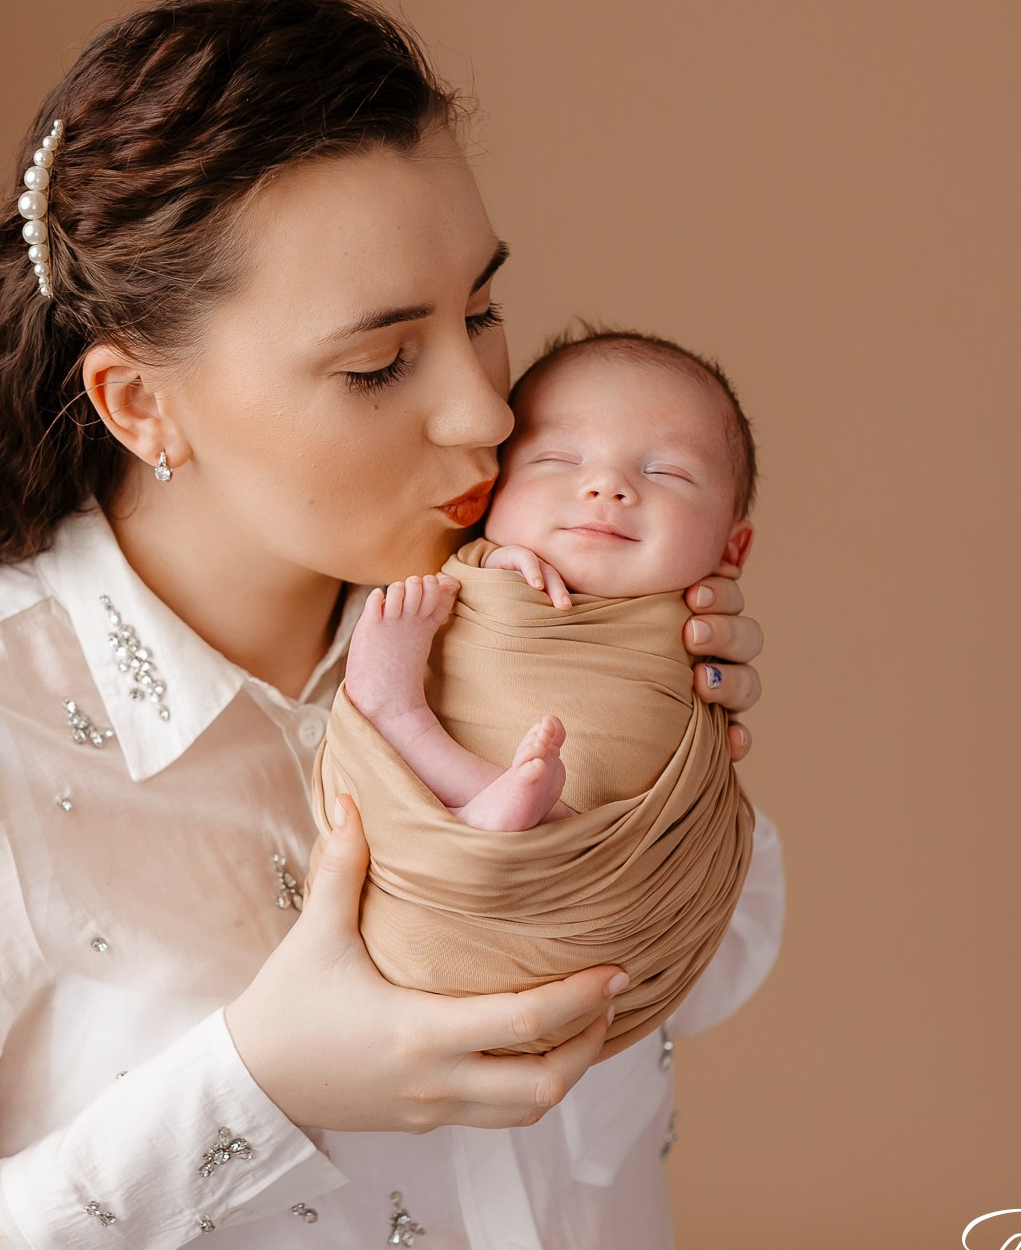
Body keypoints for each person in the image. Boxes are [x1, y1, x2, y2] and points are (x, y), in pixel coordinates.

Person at [0, 0, 779, 1250]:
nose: (486, 417)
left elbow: (692, 990)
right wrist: (253, 1087)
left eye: (481, 313)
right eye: (380, 364)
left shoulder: (530, 619)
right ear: (140, 403)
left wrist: (671, 757)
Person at [305, 328, 760, 1063]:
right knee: (501, 799)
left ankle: (472, 783)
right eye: (557, 460)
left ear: (732, 551)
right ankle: (446, 765)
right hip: (420, 904)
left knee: (583, 811)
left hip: (603, 914)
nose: (608, 487)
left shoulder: (702, 637)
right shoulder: (469, 578)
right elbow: (462, 581)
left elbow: (695, 836)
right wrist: (494, 561)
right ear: (492, 493)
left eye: (668, 473)